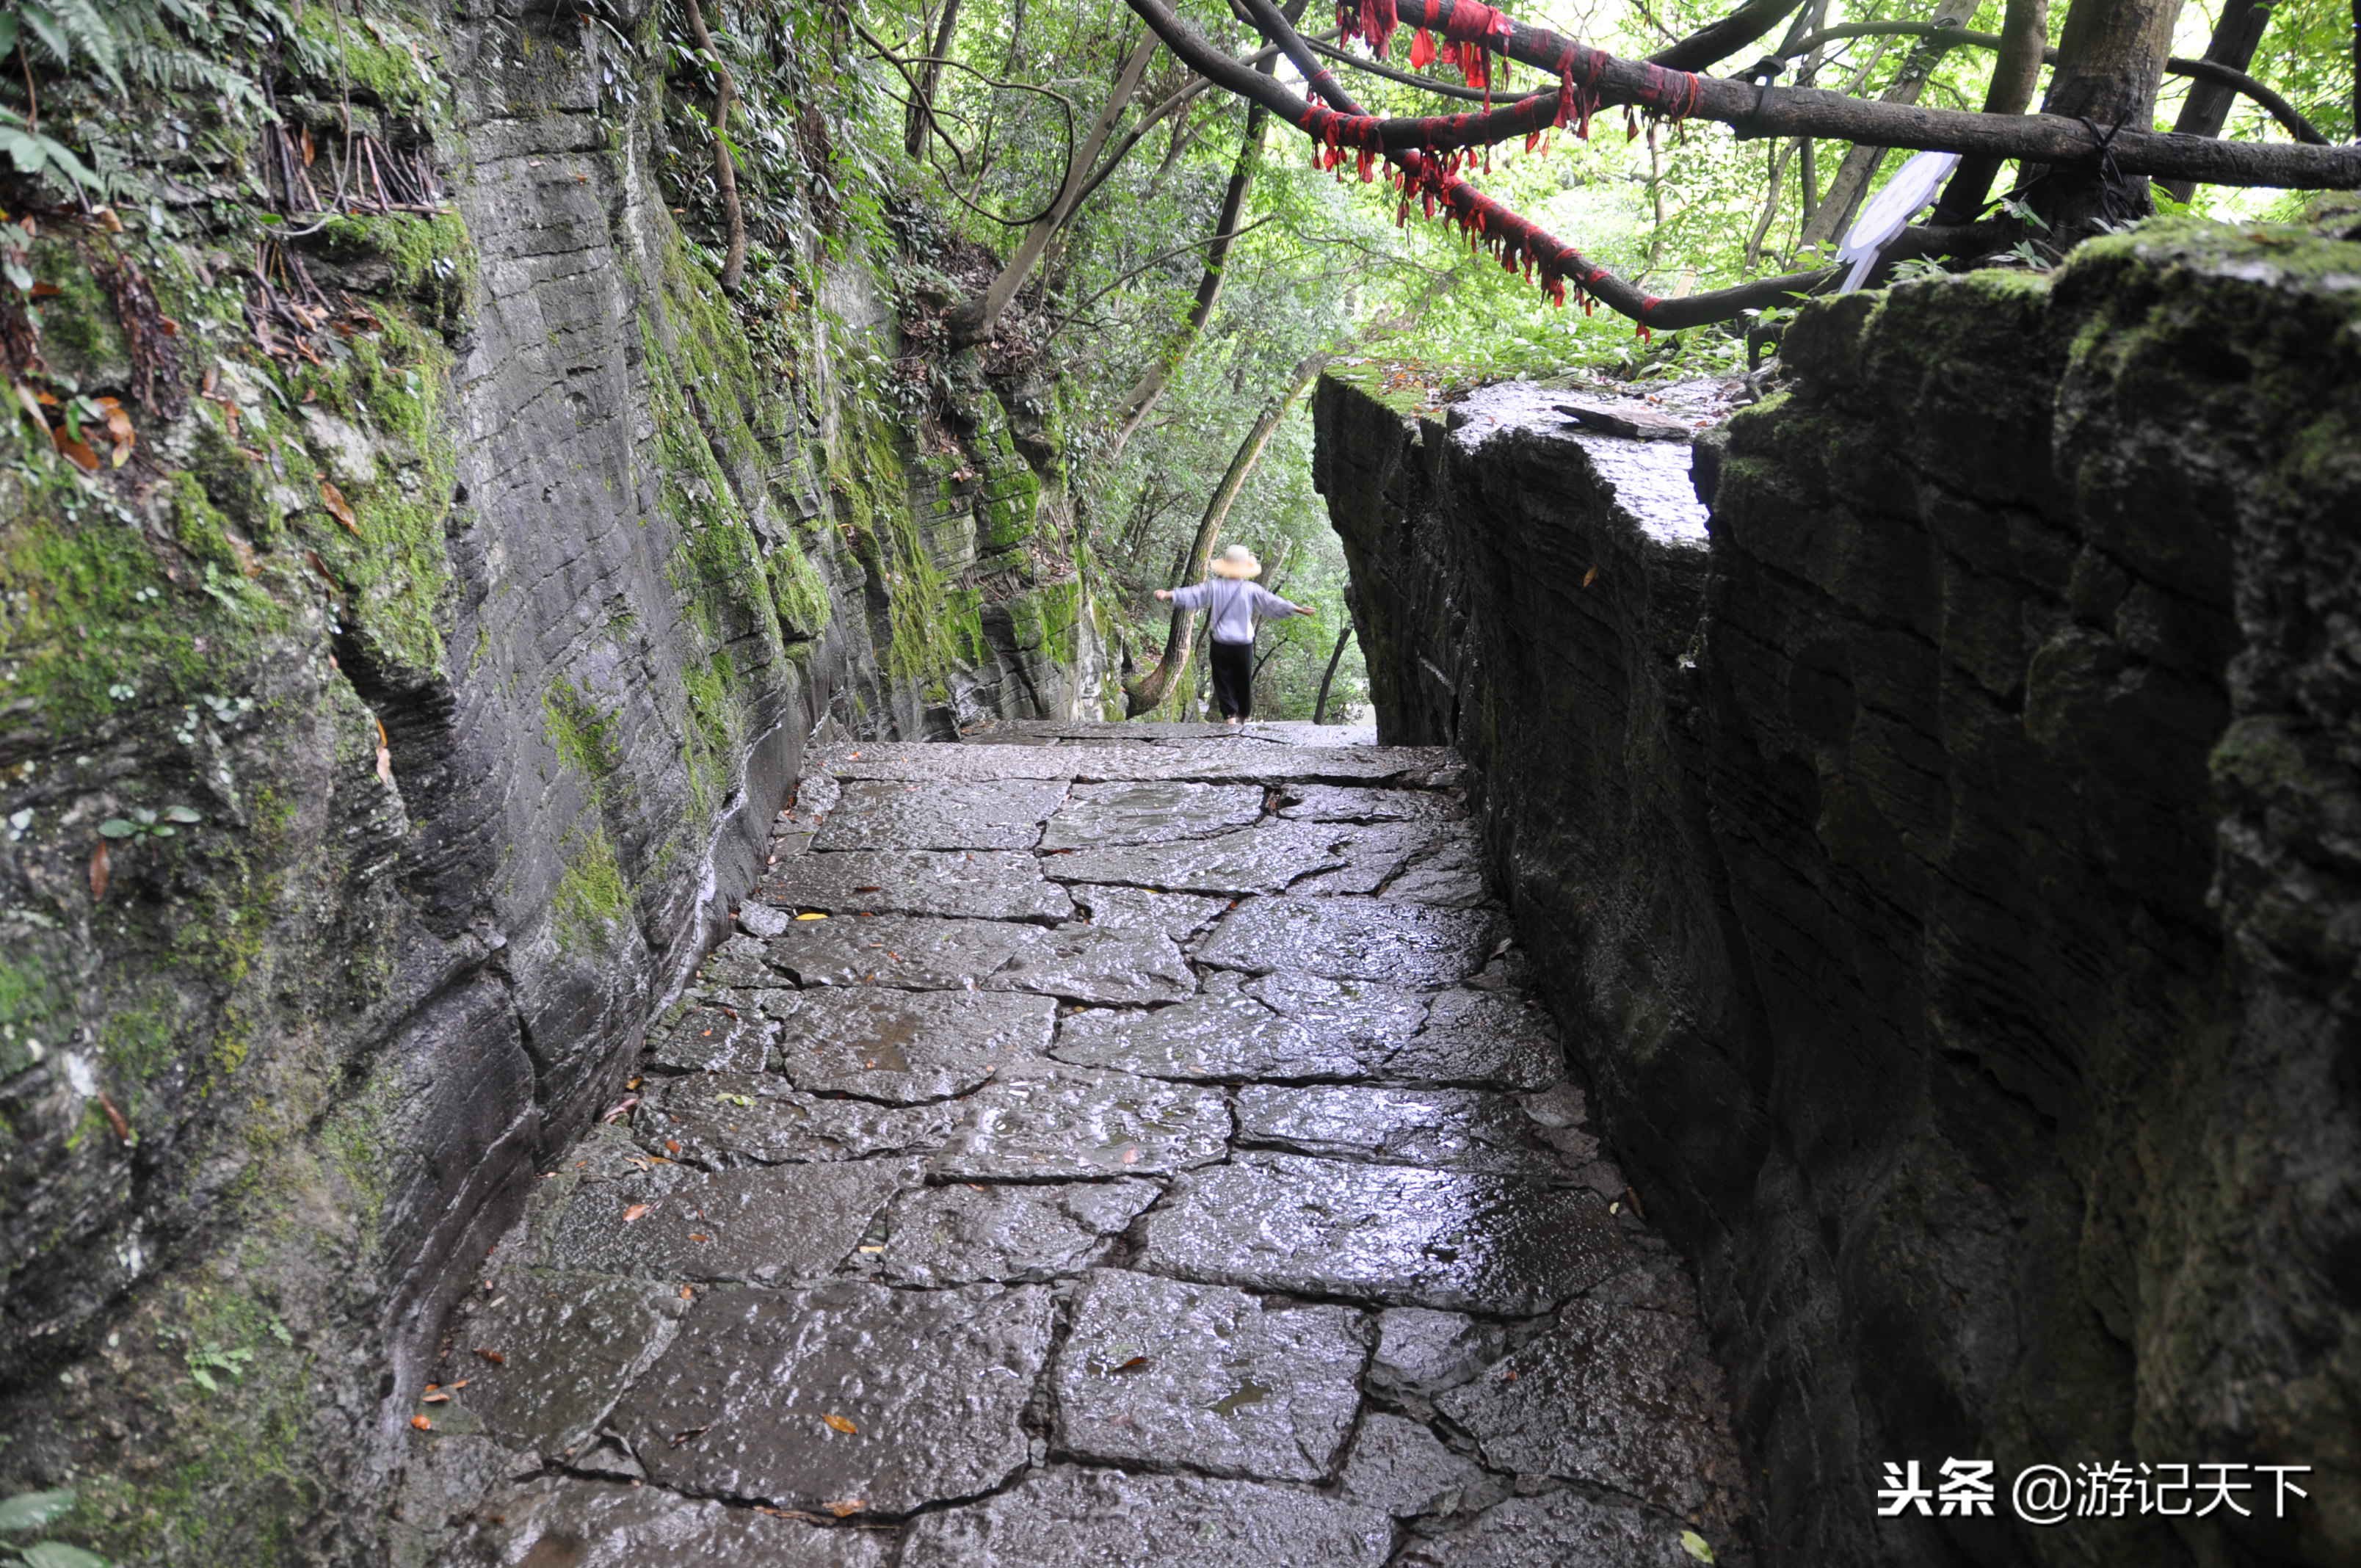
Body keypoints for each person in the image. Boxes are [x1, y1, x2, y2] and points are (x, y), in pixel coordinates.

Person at [1154, 544, 1315, 725]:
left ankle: (1230, 717)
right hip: (1243, 643)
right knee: (1243, 681)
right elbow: (1273, 603)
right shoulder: (1251, 589)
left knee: (1222, 680)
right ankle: (1243, 716)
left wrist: (1168, 594)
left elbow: (1193, 594)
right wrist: (1298, 609)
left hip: (1221, 642)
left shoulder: (1214, 587)